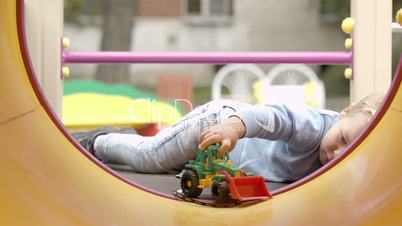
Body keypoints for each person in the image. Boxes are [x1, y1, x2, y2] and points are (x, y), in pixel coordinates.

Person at [73, 93, 383, 182]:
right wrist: (233, 127)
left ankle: (130, 140)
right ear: (344, 113)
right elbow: (272, 117)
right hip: (218, 124)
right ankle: (99, 141)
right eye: (343, 137)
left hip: (226, 151)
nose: (340, 153)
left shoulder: (345, 164)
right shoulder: (314, 127)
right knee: (151, 158)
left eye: (353, 150)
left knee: (170, 165)